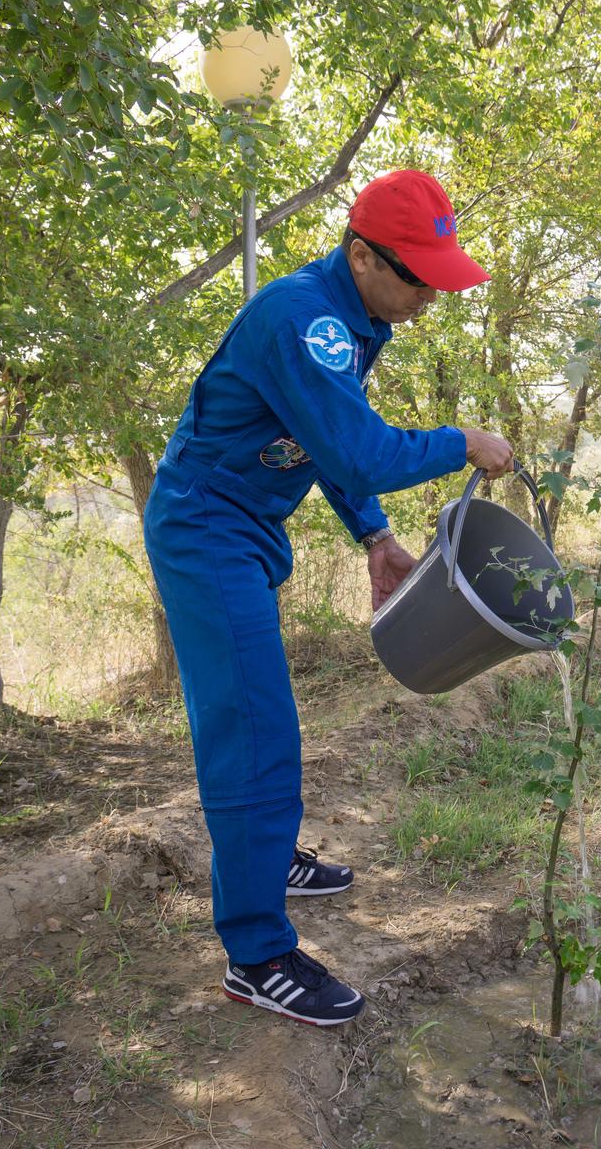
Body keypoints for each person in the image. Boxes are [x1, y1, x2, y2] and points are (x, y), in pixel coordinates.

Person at [144, 169, 513, 1027]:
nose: (429, 295)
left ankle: (265, 858)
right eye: (416, 276)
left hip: (245, 523)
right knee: (254, 726)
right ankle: (256, 952)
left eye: (436, 276)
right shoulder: (300, 317)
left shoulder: (359, 316)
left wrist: (376, 537)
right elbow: (360, 451)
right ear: (360, 254)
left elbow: (321, 438)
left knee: (262, 719)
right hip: (206, 529)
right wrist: (460, 441)